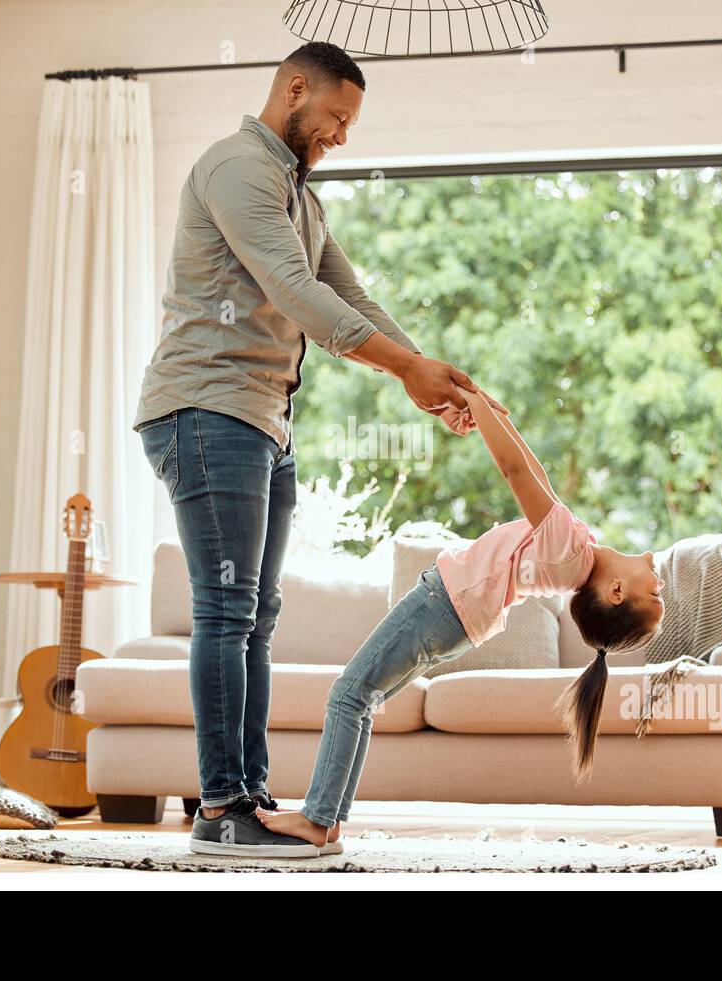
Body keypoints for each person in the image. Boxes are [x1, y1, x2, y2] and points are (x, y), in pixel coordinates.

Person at [134, 40, 502, 857]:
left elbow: (346, 291)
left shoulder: (303, 196)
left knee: (256, 618)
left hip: (263, 420)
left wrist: (430, 375)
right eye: (336, 117)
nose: (340, 135)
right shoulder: (237, 168)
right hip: (206, 409)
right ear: (294, 90)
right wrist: (405, 368)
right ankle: (219, 807)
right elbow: (295, 293)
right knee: (226, 612)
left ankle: (249, 800)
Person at [255, 385, 666, 851]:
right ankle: (326, 823)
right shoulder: (576, 549)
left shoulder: (568, 552)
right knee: (360, 700)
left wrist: (474, 405)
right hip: (453, 620)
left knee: (347, 696)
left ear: (615, 593)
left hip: (443, 605)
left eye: (654, 590)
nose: (656, 569)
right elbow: (535, 473)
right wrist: (488, 411)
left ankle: (316, 820)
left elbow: (515, 473)